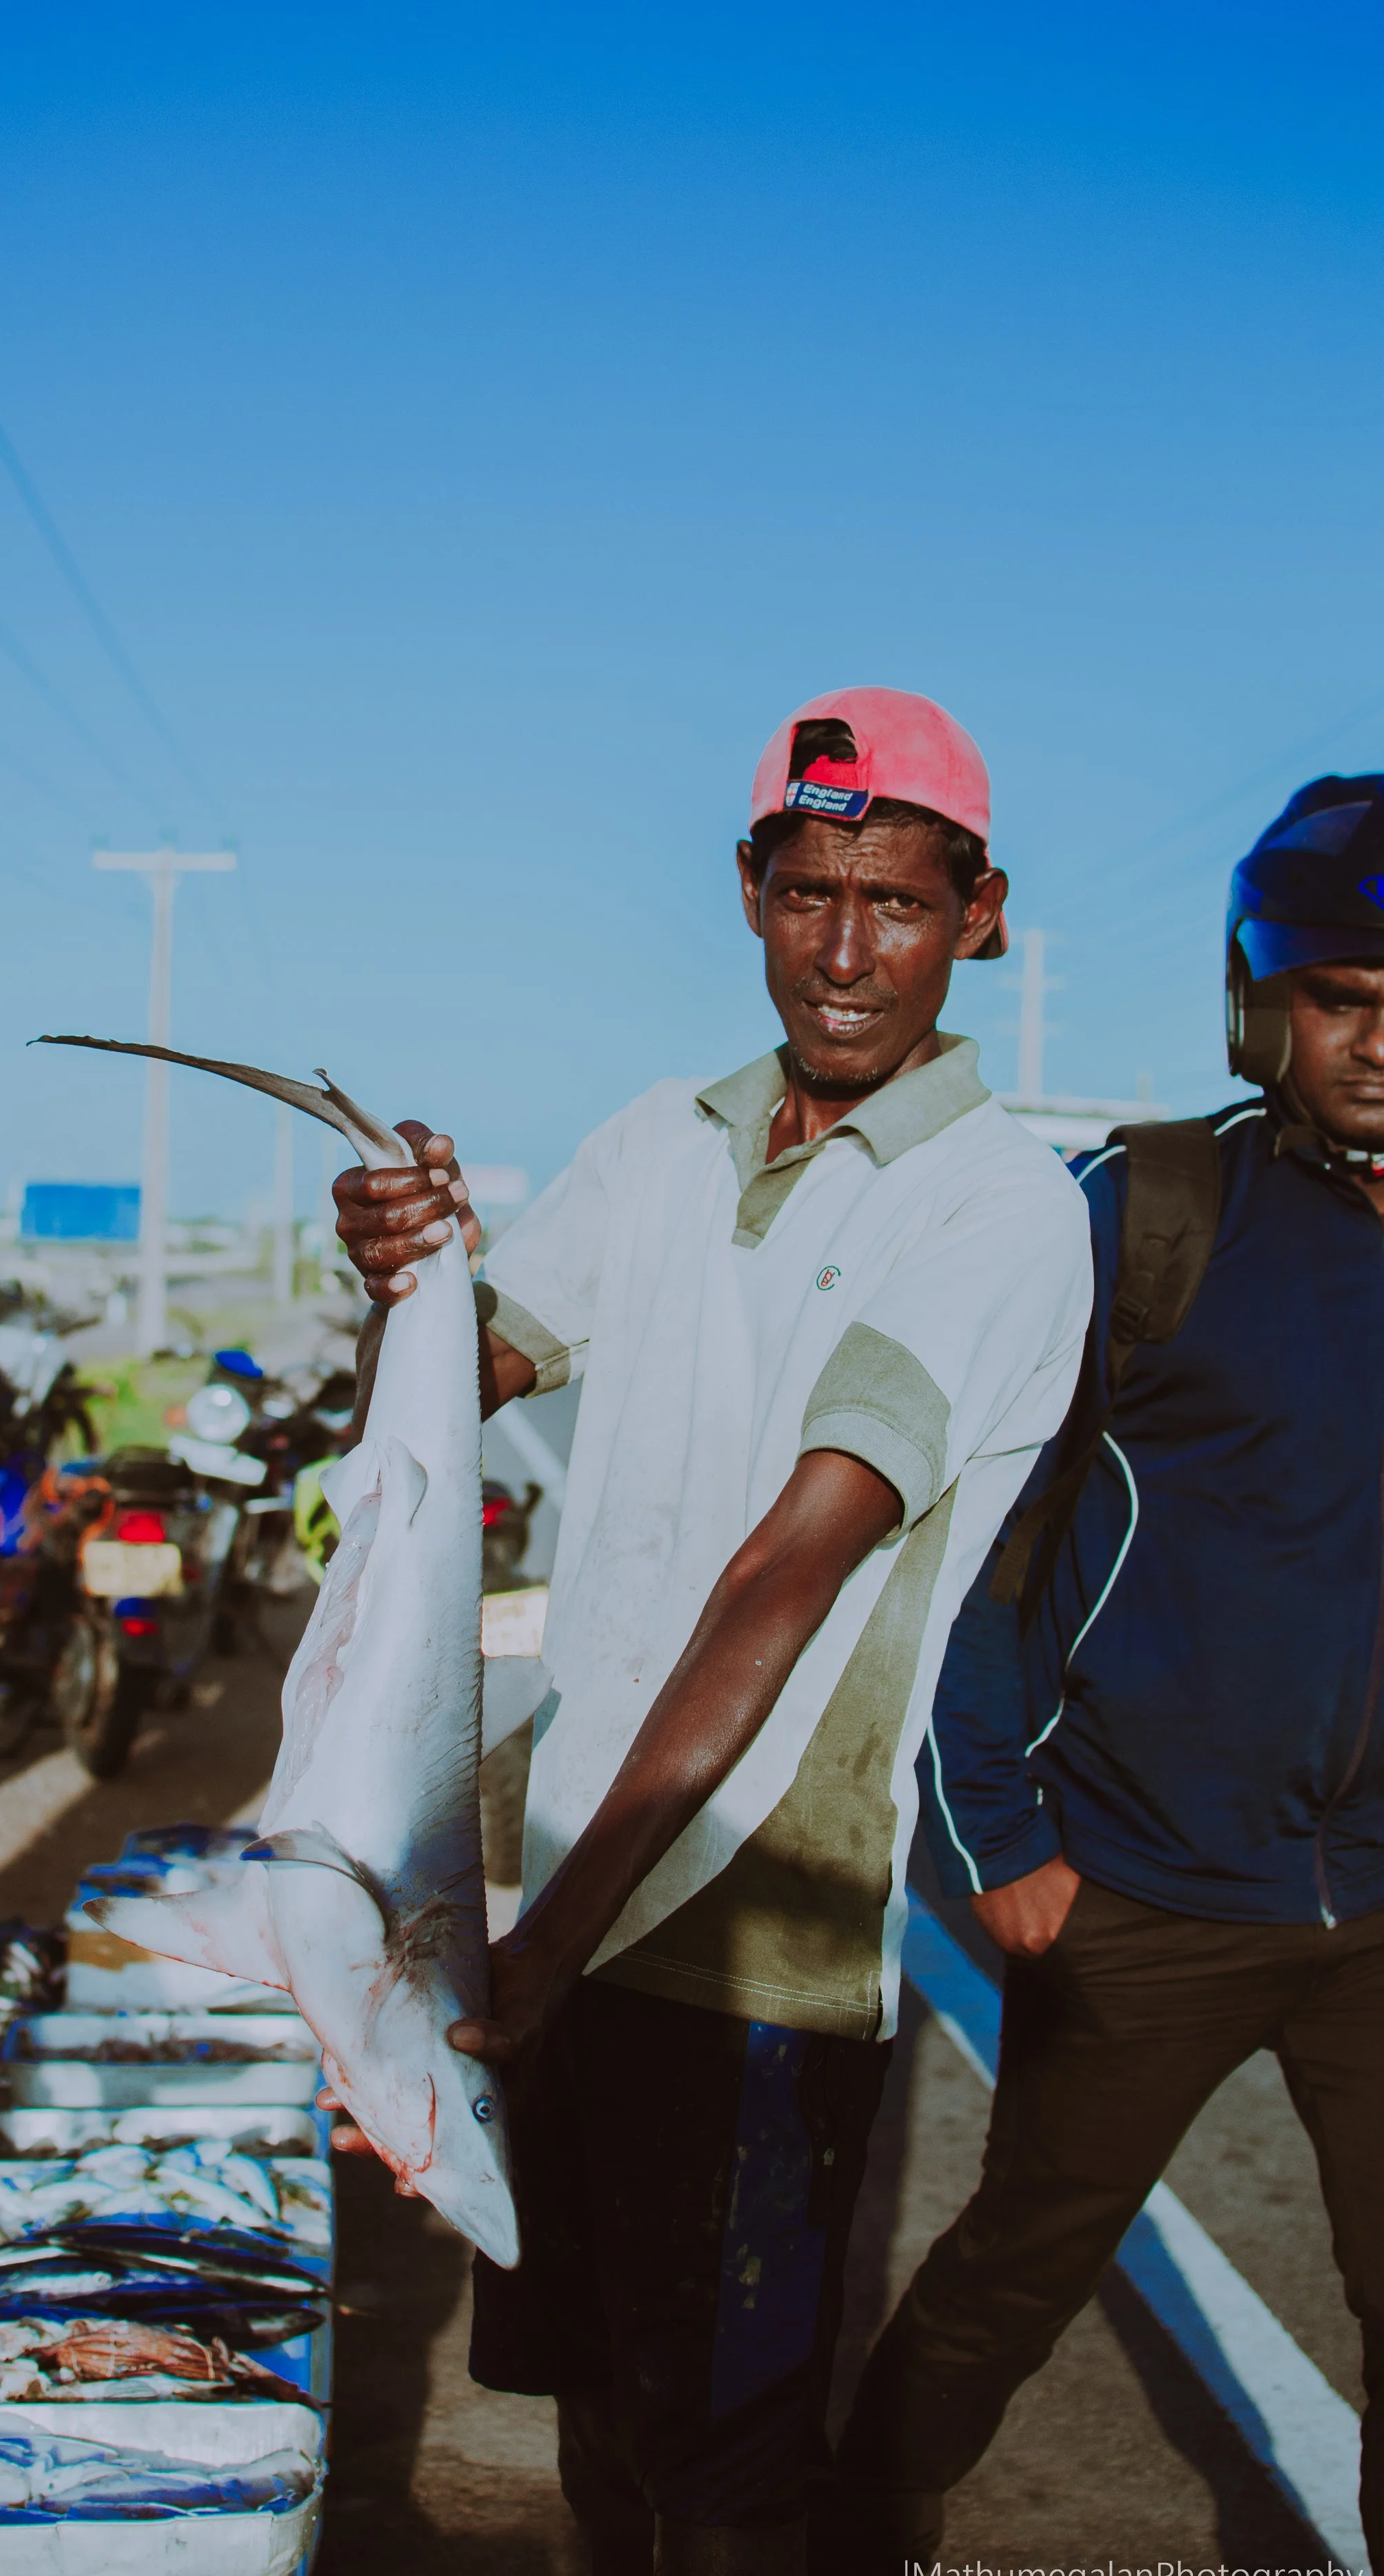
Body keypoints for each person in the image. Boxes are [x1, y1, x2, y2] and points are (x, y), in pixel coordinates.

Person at [332, 686, 1094, 2574]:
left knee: (731, 2467)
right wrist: (405, 1276)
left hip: (751, 1924)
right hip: (561, 1890)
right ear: (749, 890)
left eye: (899, 904)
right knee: (595, 2401)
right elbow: (453, 1384)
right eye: (809, 892)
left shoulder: (994, 1207)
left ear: (977, 915)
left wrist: (548, 1947)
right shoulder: (654, 1142)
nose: (846, 952)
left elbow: (782, 1575)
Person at [833, 773, 1384, 2565]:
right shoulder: (1148, 1212)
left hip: (1377, 1906)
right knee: (1017, 2264)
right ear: (1261, 1004)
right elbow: (986, 1537)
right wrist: (999, 1832)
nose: (1376, 1042)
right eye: (1340, 999)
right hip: (1136, 1881)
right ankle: (861, 2517)